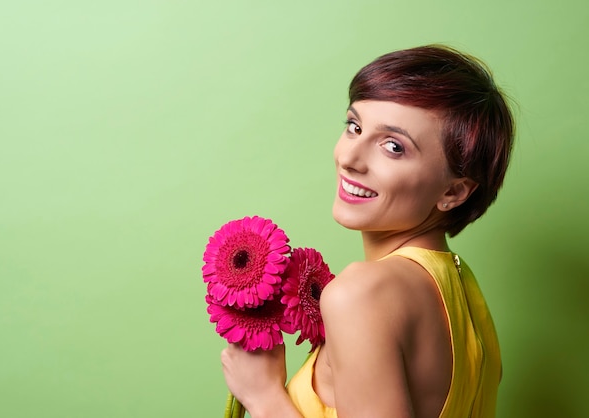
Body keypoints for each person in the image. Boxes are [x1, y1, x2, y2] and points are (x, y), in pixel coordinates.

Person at [220, 44, 514, 418]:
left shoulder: (361, 294)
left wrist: (264, 398)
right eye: (354, 127)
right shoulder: (463, 293)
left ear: (453, 192)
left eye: (393, 147)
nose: (349, 158)